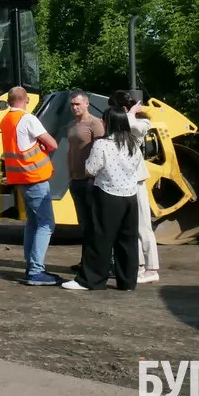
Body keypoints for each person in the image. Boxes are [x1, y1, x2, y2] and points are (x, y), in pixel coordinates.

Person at [62, 106, 142, 291]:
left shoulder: (102, 144)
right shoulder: (133, 143)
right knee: (127, 240)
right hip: (130, 195)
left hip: (108, 194)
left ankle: (91, 280)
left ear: (108, 123)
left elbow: (91, 168)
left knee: (100, 238)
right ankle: (127, 281)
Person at [0, 86, 60, 285]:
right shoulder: (27, 119)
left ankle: (31, 266)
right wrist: (43, 146)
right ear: (26, 100)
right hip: (35, 176)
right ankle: (35, 271)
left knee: (33, 222)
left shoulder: (6, 120)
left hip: (20, 178)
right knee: (46, 224)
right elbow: (53, 144)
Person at [110, 91, 160, 285]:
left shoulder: (141, 123)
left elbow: (134, 126)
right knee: (129, 226)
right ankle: (137, 266)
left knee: (143, 225)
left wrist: (130, 113)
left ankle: (151, 268)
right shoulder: (120, 123)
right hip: (122, 180)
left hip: (136, 180)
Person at [66, 90, 104, 274]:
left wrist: (94, 178)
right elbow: (70, 151)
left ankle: (102, 262)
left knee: (95, 225)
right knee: (84, 225)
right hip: (76, 180)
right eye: (72, 104)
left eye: (77, 104)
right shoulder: (72, 125)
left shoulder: (95, 123)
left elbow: (102, 150)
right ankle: (86, 261)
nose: (74, 107)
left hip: (90, 181)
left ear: (87, 104)